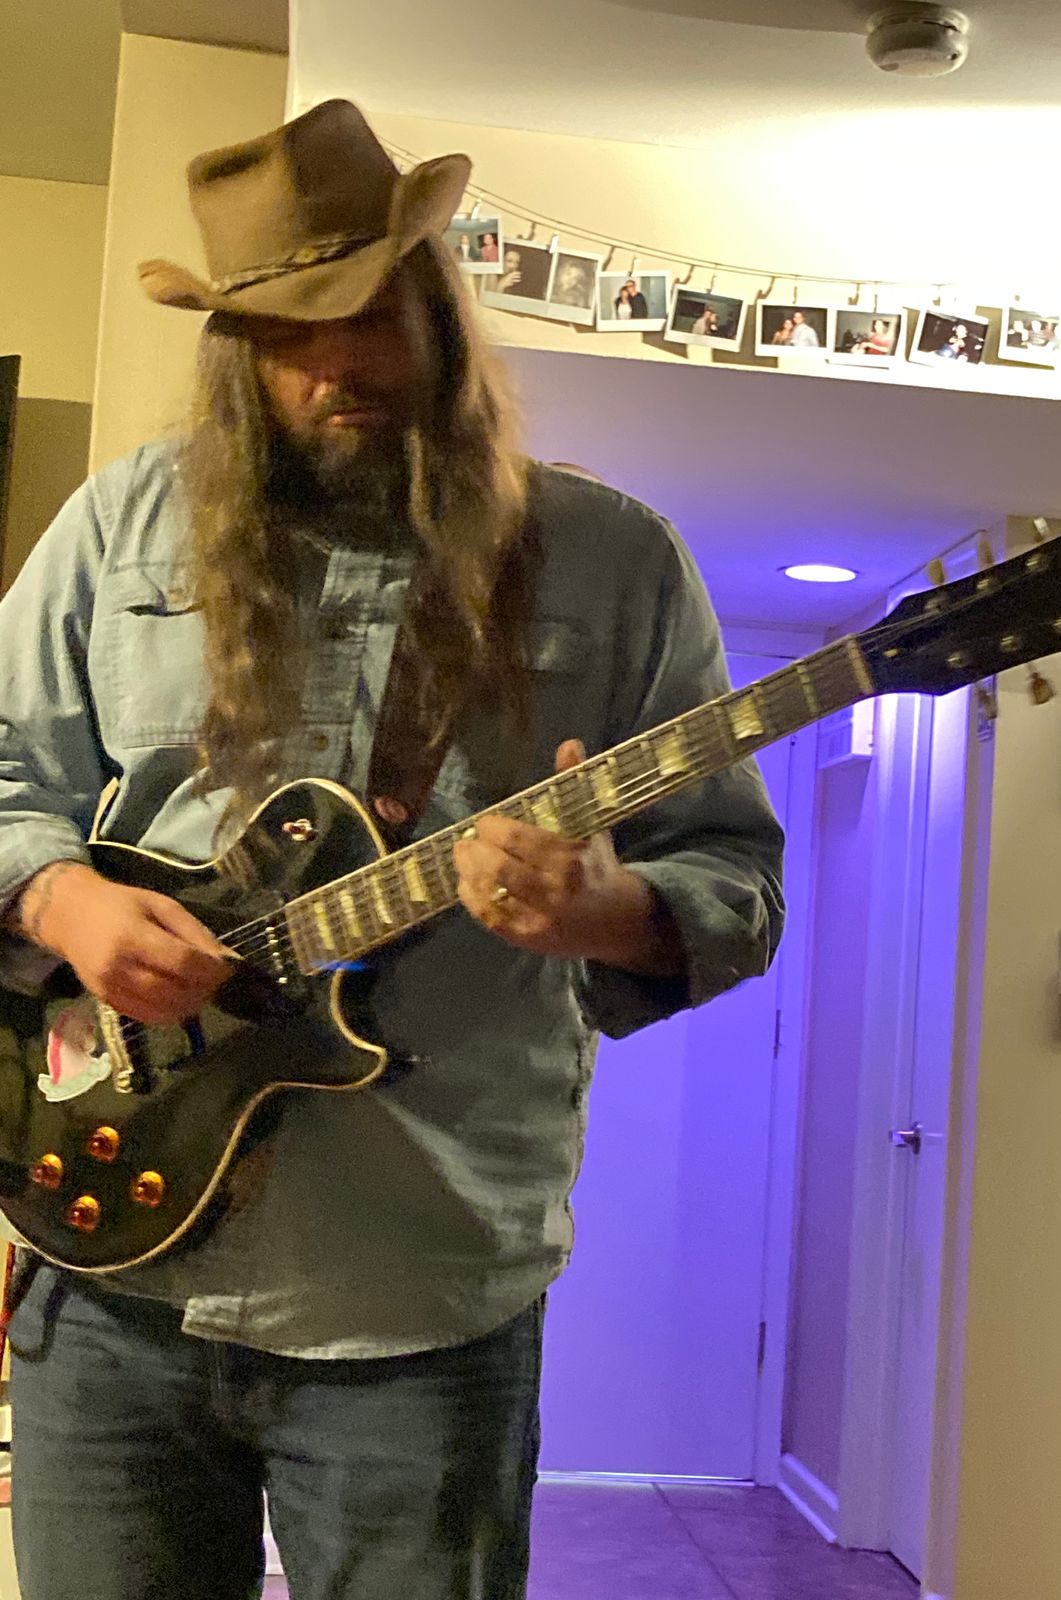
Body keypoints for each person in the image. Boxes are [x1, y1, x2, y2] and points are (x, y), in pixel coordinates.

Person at [0, 100, 784, 1600]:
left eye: (367, 315)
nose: (335, 366)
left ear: (437, 307)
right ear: (235, 352)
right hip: (108, 1265)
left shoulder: (616, 561)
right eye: (287, 334)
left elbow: (735, 885)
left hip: (423, 1295)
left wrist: (613, 908)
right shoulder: (119, 528)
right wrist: (64, 897)